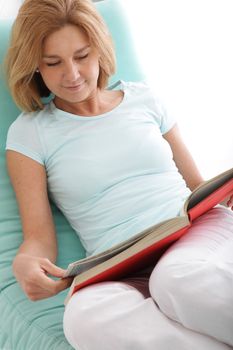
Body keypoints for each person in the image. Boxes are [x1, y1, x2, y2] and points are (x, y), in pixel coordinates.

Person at [4, 0, 233, 349]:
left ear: (99, 50)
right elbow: (38, 237)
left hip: (191, 234)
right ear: (35, 66)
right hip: (117, 263)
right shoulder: (29, 134)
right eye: (54, 63)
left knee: (177, 280)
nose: (72, 74)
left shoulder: (145, 100)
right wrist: (27, 262)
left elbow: (196, 186)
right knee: (84, 319)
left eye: (82, 56)